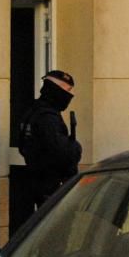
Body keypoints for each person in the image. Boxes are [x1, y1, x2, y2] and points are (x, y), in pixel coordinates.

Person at [17, 70, 83, 213]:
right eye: (67, 91)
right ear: (56, 89)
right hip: (51, 185)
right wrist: (75, 147)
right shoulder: (47, 117)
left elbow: (23, 146)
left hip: (39, 182)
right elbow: (62, 152)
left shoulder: (33, 111)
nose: (69, 96)